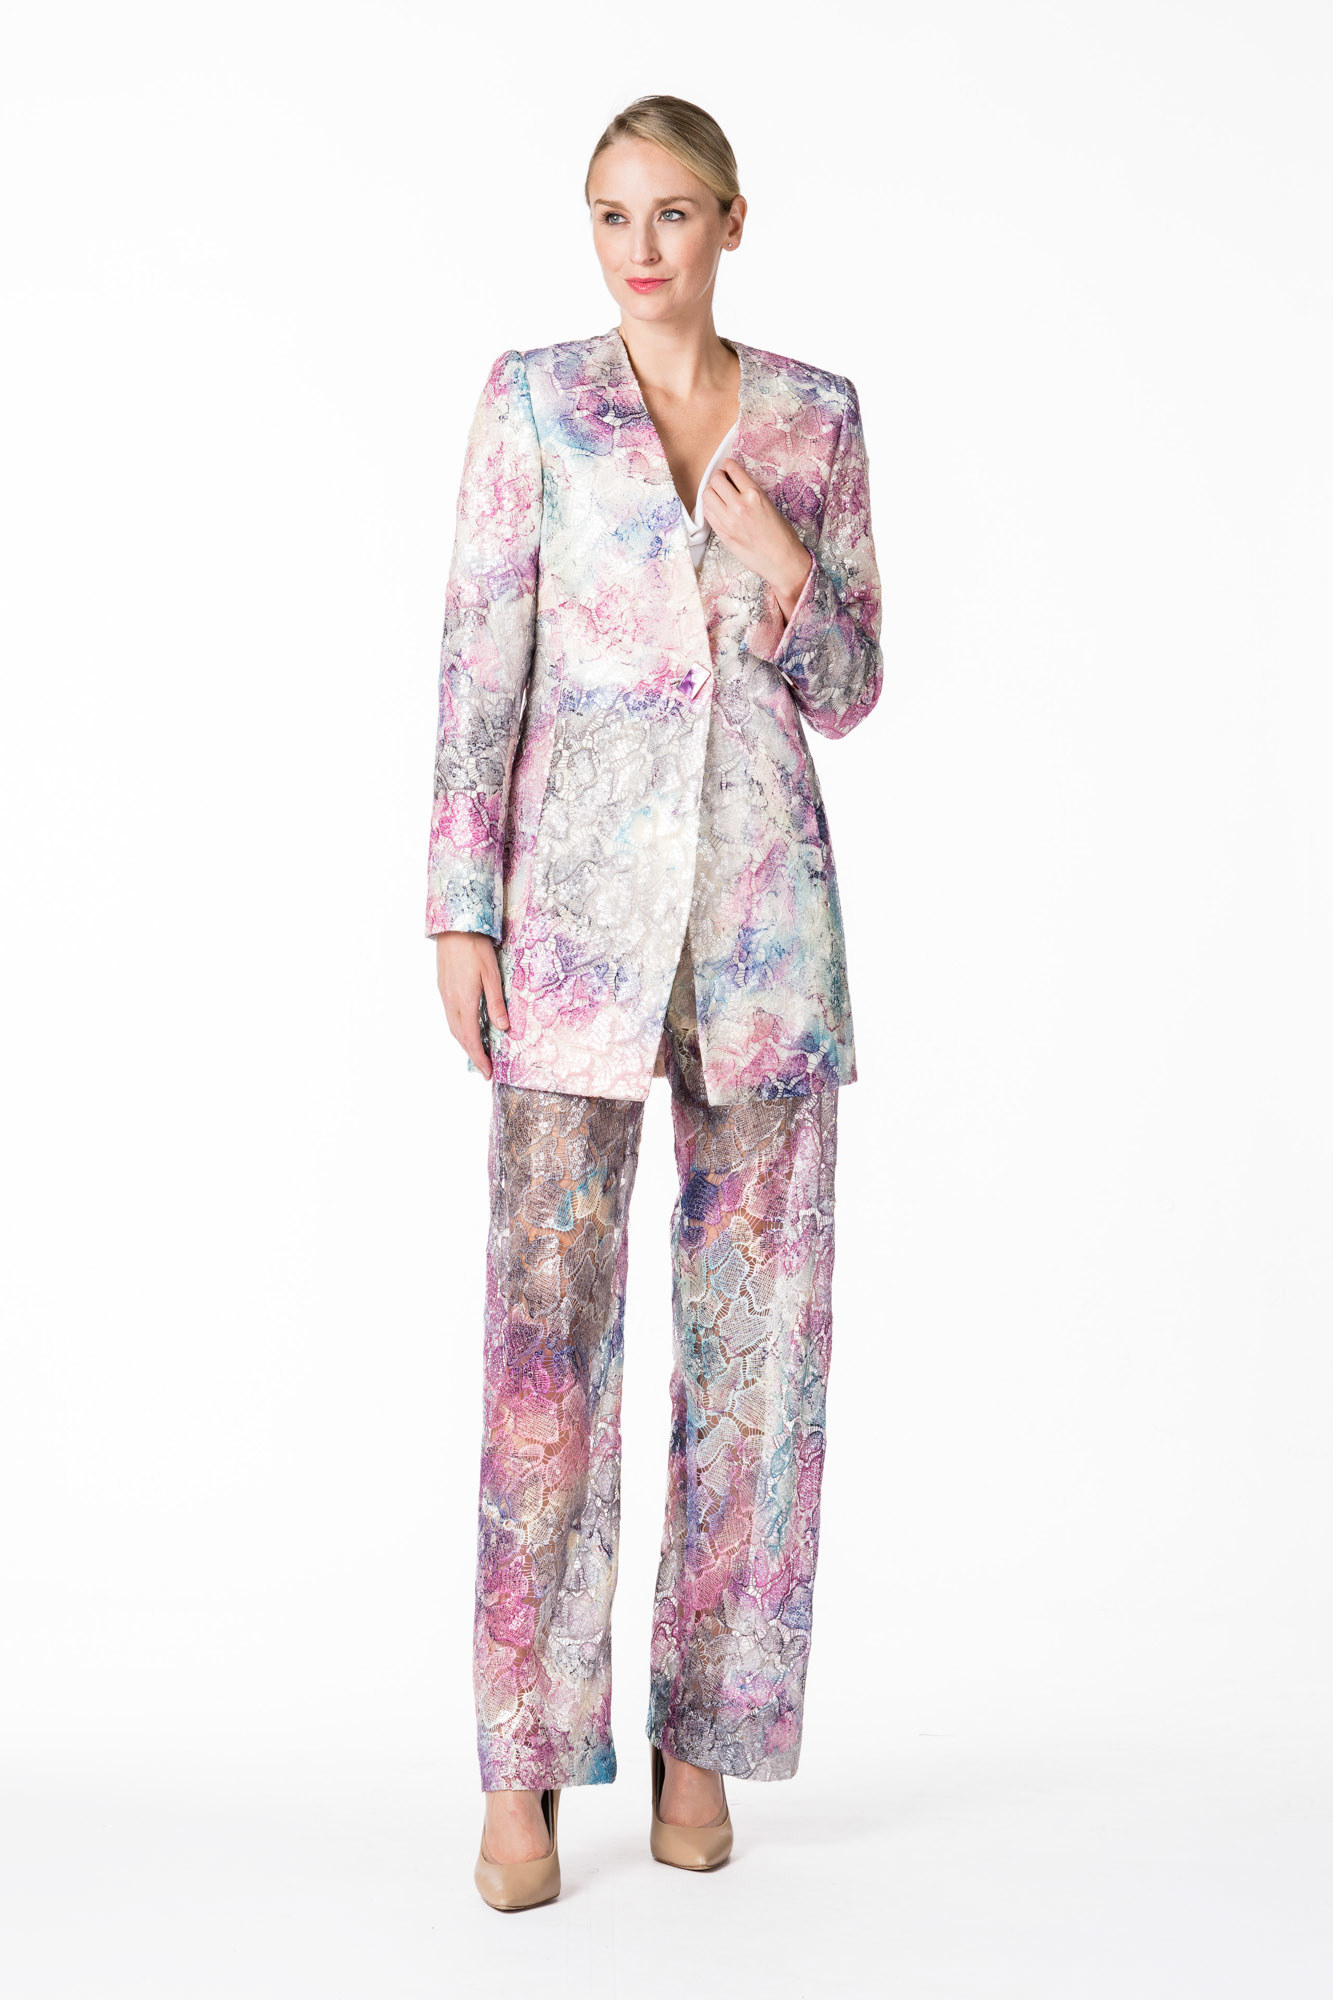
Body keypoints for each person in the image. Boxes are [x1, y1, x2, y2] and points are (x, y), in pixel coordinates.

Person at [426, 93, 883, 1911]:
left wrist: (786, 572)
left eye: (673, 211)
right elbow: (478, 668)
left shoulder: (815, 419)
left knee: (755, 1357)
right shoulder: (535, 404)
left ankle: (706, 1745)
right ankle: (523, 1765)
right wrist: (459, 909)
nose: (640, 246)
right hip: (571, 935)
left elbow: (850, 680)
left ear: (730, 223)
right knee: (547, 1358)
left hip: (764, 938)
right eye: (613, 213)